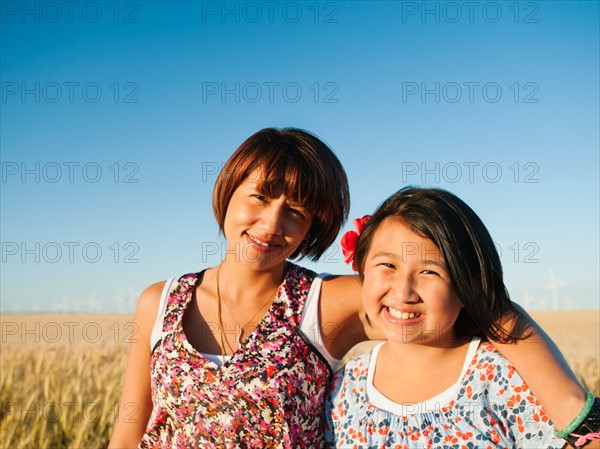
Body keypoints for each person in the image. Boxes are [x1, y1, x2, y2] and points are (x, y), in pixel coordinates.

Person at [108, 128, 590, 449]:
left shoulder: (323, 303)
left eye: (295, 211)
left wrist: (578, 416)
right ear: (228, 190)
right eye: (259, 196)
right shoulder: (161, 301)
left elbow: (471, 307)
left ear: (312, 226)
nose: (272, 224)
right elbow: (131, 424)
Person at [325, 187, 600, 448]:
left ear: (467, 286)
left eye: (429, 272)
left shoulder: (501, 379)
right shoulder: (344, 386)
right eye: (388, 265)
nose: (403, 291)